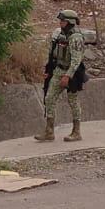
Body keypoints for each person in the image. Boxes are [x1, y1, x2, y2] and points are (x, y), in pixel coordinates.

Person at [37, 10, 86, 143]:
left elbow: (76, 60)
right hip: (58, 70)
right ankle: (49, 131)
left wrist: (68, 76)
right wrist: (49, 70)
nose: (60, 23)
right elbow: (53, 54)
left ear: (70, 22)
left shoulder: (76, 37)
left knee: (73, 101)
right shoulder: (60, 35)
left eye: (63, 21)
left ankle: (76, 132)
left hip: (72, 73)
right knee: (49, 98)